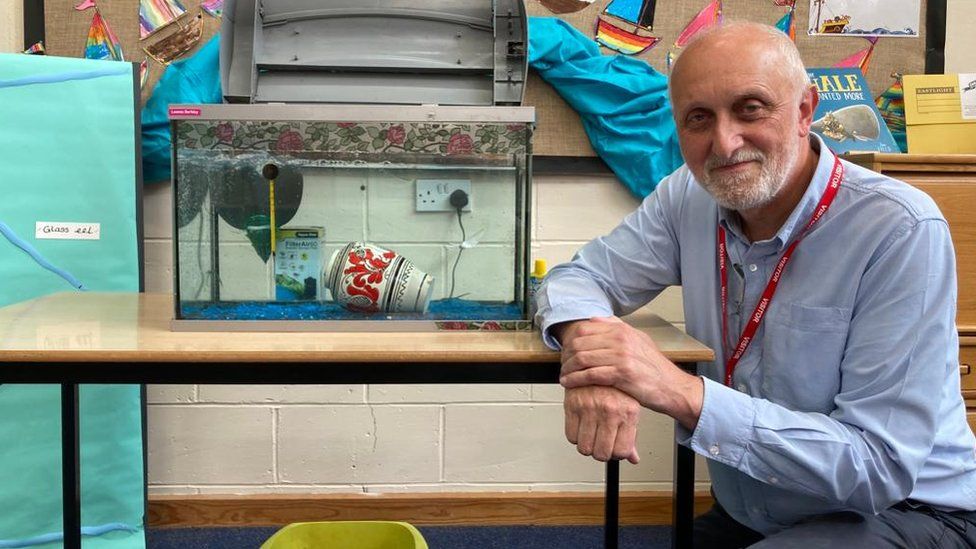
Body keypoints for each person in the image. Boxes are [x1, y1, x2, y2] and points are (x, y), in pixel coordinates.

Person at [535, 20, 976, 548]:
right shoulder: (687, 197)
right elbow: (577, 277)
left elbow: (877, 467)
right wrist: (595, 350)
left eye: (750, 109)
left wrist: (678, 391)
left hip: (905, 512)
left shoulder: (899, 227)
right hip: (759, 508)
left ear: (805, 111)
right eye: (698, 118)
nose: (724, 142)